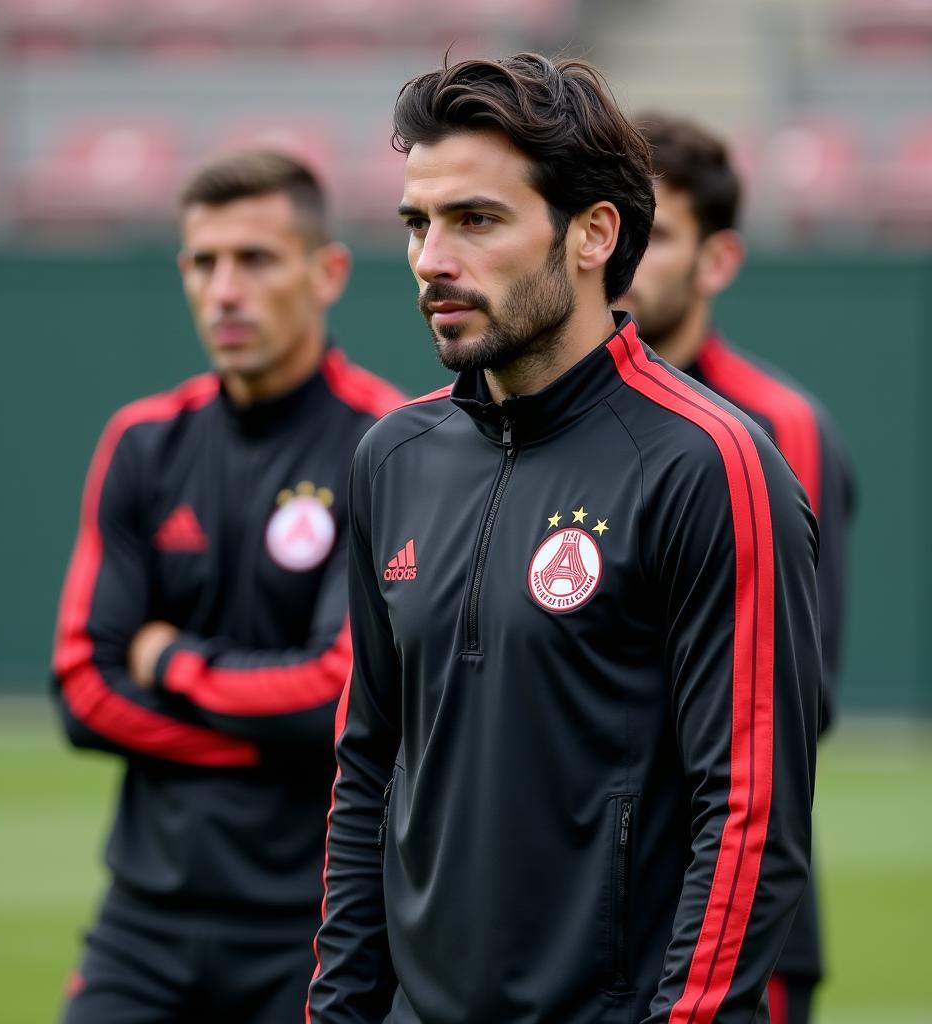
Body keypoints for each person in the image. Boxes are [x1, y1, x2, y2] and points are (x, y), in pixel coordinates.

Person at [307, 53, 822, 1024]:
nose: (431, 259)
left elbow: (748, 813)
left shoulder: (709, 464)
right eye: (418, 223)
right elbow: (368, 769)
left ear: (592, 234)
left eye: (476, 219)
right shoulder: (393, 457)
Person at [50, 148, 403, 1023]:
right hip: (143, 922)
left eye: (255, 259)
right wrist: (259, 739)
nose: (224, 290)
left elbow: (335, 697)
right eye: (203, 263)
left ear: (327, 273)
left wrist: (172, 664)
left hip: (317, 926)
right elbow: (83, 690)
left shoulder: (392, 449)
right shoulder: (142, 443)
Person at [621, 112, 856, 1024]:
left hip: (735, 904)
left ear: (716, 261)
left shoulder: (775, 428)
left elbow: (797, 696)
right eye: (616, 221)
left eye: (659, 234)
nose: (626, 253)